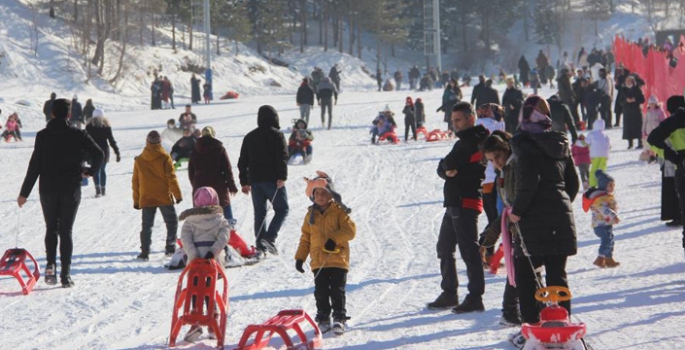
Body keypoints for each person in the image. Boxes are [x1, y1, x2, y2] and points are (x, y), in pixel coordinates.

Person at [507, 96, 579, 347]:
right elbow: (573, 184)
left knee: (527, 277)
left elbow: (529, 182)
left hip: (532, 221)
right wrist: (557, 204)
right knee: (557, 273)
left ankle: (532, 329)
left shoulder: (525, 143)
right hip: (560, 217)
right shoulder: (559, 142)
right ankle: (562, 325)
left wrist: (517, 210)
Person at [18, 98, 104, 288]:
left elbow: (34, 165)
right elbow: (99, 154)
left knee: (51, 228)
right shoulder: (79, 134)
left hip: (47, 188)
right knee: (66, 230)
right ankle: (65, 275)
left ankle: (50, 266)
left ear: (52, 114)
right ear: (69, 114)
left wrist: (24, 193)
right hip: (70, 188)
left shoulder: (42, 136)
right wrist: (89, 172)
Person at [427, 102, 488, 313]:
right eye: (453, 121)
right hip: (454, 202)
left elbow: (450, 162)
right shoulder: (463, 141)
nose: (454, 125)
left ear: (470, 119)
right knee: (444, 247)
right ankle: (450, 293)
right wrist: (446, 170)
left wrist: (447, 168)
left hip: (466, 201)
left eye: (458, 120)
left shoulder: (475, 140)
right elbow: (444, 166)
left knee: (469, 251)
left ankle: (475, 297)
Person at [295, 171, 355, 334]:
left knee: (336, 290)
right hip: (318, 261)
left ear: (331, 194)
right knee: (320, 291)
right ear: (312, 196)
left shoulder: (339, 212)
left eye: (324, 193)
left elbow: (350, 231)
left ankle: (339, 318)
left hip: (337, 259)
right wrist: (300, 257)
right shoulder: (310, 215)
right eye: (317, 193)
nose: (320, 196)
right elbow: (306, 238)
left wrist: (334, 238)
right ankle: (323, 318)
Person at [479, 130, 521, 327]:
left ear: (506, 149)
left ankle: (513, 313)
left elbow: (518, 204)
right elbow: (506, 209)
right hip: (516, 230)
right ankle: (511, 314)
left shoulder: (516, 167)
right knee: (518, 270)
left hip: (527, 229)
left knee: (523, 271)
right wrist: (490, 234)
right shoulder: (502, 173)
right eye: (491, 160)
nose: (496, 162)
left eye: (497, 157)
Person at [180, 186, 230, 342]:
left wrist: (194, 255)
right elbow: (224, 237)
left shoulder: (190, 221)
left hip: (195, 264)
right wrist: (212, 252)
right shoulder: (220, 220)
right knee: (209, 290)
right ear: (215, 200)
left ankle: (195, 322)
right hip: (212, 263)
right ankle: (212, 322)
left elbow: (185, 239)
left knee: (195, 290)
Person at [238, 105, 289, 254]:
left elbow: (243, 162)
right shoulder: (277, 135)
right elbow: (282, 157)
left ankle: (260, 245)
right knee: (282, 209)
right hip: (273, 180)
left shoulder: (250, 136)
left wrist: (244, 182)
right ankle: (270, 238)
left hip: (255, 182)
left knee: (259, 213)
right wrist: (282, 176)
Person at [132, 130, 183, 261]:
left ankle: (144, 252)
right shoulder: (165, 157)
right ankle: (170, 248)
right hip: (163, 196)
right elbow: (171, 178)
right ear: (160, 142)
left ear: (147, 142)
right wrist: (177, 195)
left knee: (147, 225)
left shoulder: (140, 160)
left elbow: (135, 182)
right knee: (171, 221)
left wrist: (136, 200)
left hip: (146, 197)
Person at [648, 95, 685, 254]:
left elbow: (653, 139)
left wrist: (672, 156)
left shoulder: (677, 118)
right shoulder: (678, 118)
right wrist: (673, 157)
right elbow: (653, 138)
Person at [189, 126, 239, 223]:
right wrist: (231, 186)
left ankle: (201, 232)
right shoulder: (219, 149)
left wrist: (195, 185)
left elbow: (191, 171)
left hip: (199, 184)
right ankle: (230, 229)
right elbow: (227, 169)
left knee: (200, 210)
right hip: (217, 184)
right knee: (224, 205)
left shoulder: (195, 150)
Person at [583, 170, 620, 268]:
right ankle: (600, 258)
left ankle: (609, 259)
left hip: (606, 224)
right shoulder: (600, 199)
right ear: (604, 185)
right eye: (610, 185)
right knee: (606, 240)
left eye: (613, 185)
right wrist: (614, 216)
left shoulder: (606, 196)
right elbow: (604, 209)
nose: (613, 187)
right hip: (600, 225)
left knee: (610, 240)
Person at [85, 108, 121, 197]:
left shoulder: (89, 126)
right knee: (102, 170)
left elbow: (84, 141)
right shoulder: (106, 126)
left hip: (92, 151)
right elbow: (111, 140)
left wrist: (83, 153)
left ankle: (97, 190)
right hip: (104, 151)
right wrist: (117, 152)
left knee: (95, 170)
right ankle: (103, 189)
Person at [620, 76, 645, 149]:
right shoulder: (623, 90)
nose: (628, 82)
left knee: (638, 126)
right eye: (627, 81)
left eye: (630, 81)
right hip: (627, 111)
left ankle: (640, 142)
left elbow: (642, 99)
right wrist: (626, 101)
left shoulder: (637, 89)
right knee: (628, 127)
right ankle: (630, 143)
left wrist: (635, 100)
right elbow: (620, 101)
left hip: (636, 111)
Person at [585, 119, 610, 187]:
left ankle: (593, 184)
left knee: (594, 170)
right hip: (604, 155)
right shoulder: (605, 135)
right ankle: (602, 184)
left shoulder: (592, 134)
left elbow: (586, 142)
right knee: (602, 170)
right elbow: (609, 145)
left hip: (595, 155)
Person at [643, 96, 667, 162]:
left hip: (657, 132)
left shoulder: (660, 112)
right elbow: (645, 122)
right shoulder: (648, 112)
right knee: (650, 144)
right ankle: (651, 156)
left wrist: (663, 130)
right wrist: (643, 131)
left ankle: (657, 156)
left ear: (656, 104)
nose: (652, 105)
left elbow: (663, 121)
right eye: (650, 104)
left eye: (653, 104)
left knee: (657, 144)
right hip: (649, 131)